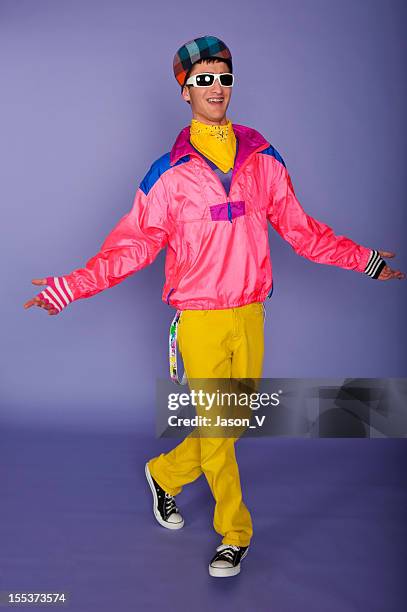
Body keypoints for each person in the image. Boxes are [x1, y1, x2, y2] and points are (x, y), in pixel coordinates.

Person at [24, 35, 405, 578]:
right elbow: (131, 246)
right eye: (203, 79)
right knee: (220, 433)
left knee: (229, 424)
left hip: (250, 315)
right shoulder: (168, 175)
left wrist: (364, 259)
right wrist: (72, 286)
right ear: (184, 91)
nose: (216, 88)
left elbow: (300, 230)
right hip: (200, 321)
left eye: (223, 77)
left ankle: (164, 472)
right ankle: (236, 533)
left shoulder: (262, 157)